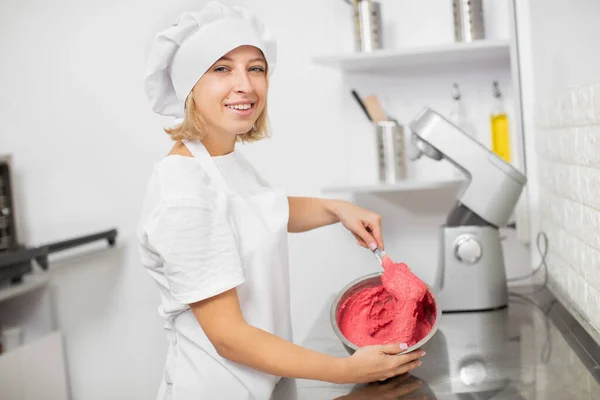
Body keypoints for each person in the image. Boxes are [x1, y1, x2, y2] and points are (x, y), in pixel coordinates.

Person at [138, 2, 425, 399]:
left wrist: (336, 209)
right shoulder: (184, 195)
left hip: (263, 382)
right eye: (221, 68)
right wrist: (346, 371)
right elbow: (230, 339)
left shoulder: (223, 161)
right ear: (190, 84)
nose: (246, 84)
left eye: (255, 68)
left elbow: (259, 210)